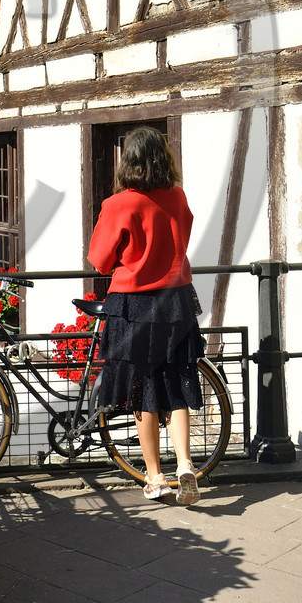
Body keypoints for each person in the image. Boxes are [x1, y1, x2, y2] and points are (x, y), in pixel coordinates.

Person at [86, 126, 204, 506]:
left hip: (135, 303)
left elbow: (100, 261)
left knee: (142, 388)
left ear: (128, 161)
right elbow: (182, 240)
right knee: (176, 380)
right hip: (177, 301)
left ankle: (155, 477)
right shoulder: (177, 197)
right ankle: (185, 461)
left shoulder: (119, 204)